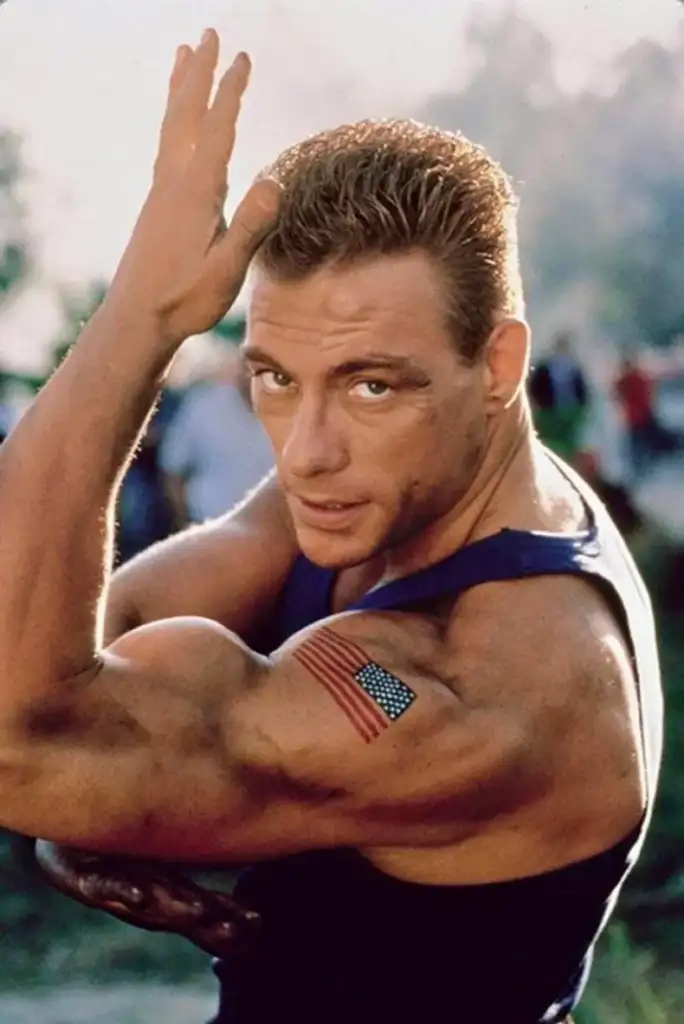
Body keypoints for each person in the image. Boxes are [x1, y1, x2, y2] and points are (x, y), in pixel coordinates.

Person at [0, 29, 662, 1024]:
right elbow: (88, 636)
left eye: (369, 383)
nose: (304, 450)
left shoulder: (468, 696)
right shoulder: (406, 472)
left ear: (496, 364)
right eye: (275, 377)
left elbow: (22, 743)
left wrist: (140, 318)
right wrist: (96, 777)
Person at [159, 346, 273, 526]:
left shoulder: (294, 412)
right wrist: (183, 523)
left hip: (275, 535)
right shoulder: (203, 404)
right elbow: (173, 468)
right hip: (208, 528)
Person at [529, 331, 591, 465]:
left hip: (570, 412)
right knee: (549, 443)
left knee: (569, 445)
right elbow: (535, 388)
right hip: (549, 413)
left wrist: (581, 409)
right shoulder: (545, 367)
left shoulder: (574, 368)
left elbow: (583, 391)